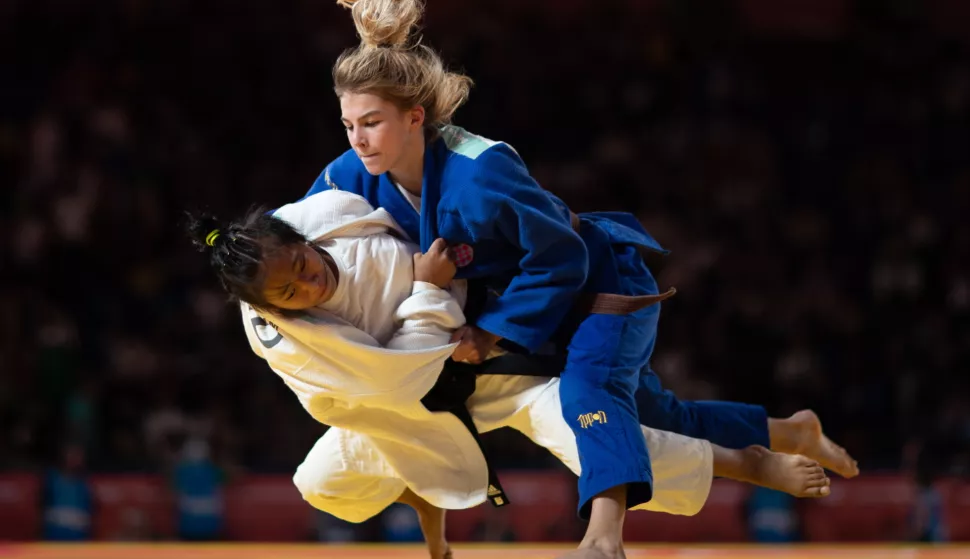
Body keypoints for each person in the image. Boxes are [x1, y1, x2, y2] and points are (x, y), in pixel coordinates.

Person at [300, 1, 857, 557]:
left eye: (371, 122)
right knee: (658, 415)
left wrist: (491, 332)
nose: (358, 139)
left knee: (590, 393)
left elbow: (561, 257)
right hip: (533, 304)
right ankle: (786, 431)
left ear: (415, 117)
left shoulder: (481, 169)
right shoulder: (349, 174)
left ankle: (602, 538)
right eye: (349, 125)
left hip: (601, 285)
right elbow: (293, 232)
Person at [187, 189, 831, 559]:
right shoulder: (288, 339)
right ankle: (429, 523)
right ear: (270, 307)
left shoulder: (322, 214)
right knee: (321, 483)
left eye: (301, 262)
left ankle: (749, 462)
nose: (309, 280)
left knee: (594, 431)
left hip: (486, 369)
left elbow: (358, 167)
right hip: (395, 404)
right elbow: (395, 383)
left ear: (297, 234)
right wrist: (424, 288)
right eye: (293, 291)